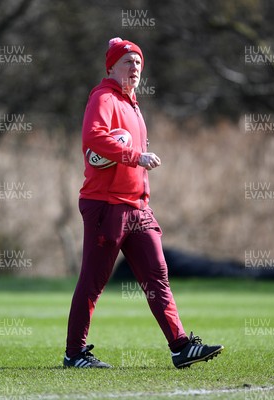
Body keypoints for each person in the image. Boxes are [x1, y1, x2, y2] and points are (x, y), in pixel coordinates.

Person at [63, 37, 223, 369]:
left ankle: (180, 346)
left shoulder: (133, 104)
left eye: (138, 63)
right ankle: (74, 354)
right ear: (111, 66)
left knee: (158, 275)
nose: (135, 67)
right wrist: (136, 156)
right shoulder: (103, 96)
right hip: (106, 205)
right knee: (93, 280)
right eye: (127, 61)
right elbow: (93, 137)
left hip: (137, 207)